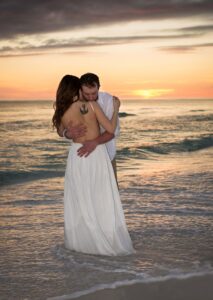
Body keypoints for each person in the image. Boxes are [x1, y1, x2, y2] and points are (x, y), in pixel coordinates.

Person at [52, 74, 134, 256]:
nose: (89, 96)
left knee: (82, 198)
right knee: (101, 196)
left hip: (78, 155)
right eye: (84, 92)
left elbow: (59, 128)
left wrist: (70, 132)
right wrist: (116, 110)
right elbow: (110, 130)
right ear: (78, 89)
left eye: (92, 92)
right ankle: (105, 239)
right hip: (96, 156)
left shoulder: (62, 110)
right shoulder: (91, 105)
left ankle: (84, 242)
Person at [60, 73, 120, 183]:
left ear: (99, 87)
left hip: (106, 153)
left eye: (94, 93)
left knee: (108, 192)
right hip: (80, 153)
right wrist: (67, 133)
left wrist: (95, 142)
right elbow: (61, 131)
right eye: (87, 94)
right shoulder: (83, 104)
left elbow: (112, 132)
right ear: (80, 90)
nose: (91, 97)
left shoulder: (108, 101)